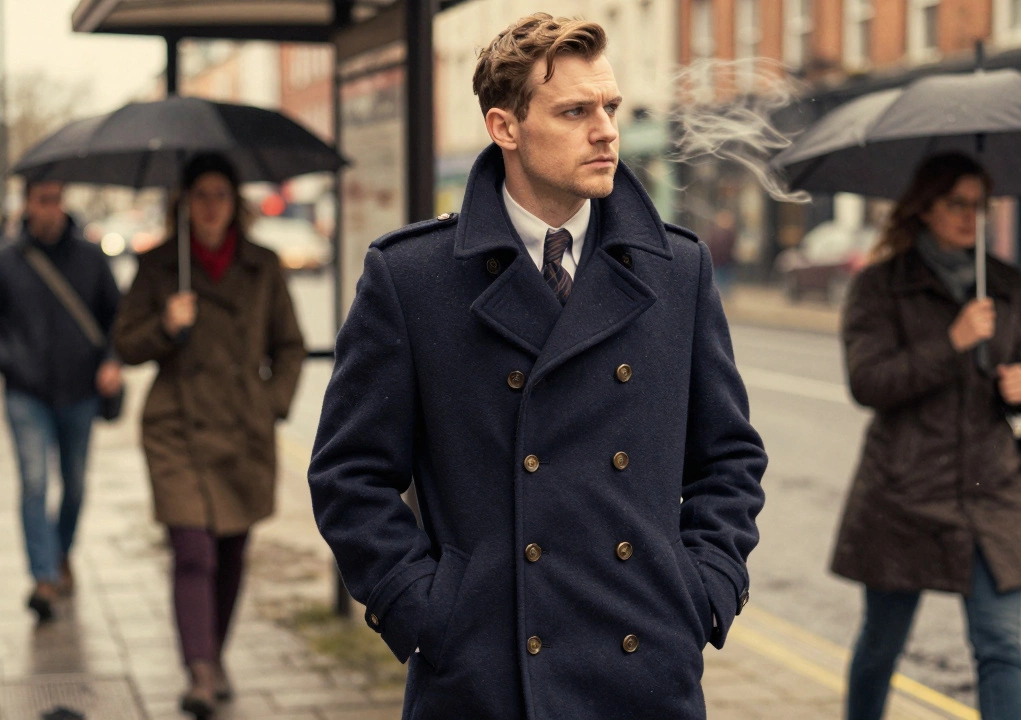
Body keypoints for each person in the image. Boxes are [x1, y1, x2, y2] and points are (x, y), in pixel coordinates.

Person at [308, 14, 767, 720]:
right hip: (486, 676)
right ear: (505, 127)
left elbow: (728, 459)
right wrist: (423, 610)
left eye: (609, 108)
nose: (606, 130)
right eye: (575, 111)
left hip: (645, 666)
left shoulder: (678, 270)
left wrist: (704, 588)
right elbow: (349, 476)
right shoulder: (414, 280)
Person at [833, 153, 1021, 720]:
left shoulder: (1002, 284)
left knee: (1001, 646)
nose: (972, 216)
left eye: (980, 205)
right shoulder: (880, 287)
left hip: (989, 489)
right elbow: (868, 382)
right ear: (925, 207)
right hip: (906, 490)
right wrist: (950, 342)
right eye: (958, 204)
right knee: (882, 643)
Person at [113, 153, 306, 720]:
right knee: (193, 549)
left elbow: (290, 346)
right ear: (184, 203)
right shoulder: (157, 267)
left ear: (235, 203)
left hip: (244, 425)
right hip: (177, 425)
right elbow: (126, 344)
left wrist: (272, 402)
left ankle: (212, 655)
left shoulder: (263, 265)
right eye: (201, 195)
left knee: (231, 550)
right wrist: (166, 327)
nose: (211, 206)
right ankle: (200, 670)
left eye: (221, 194)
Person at [0, 181, 123, 623]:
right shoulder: (4, 259)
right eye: (42, 201)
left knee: (74, 485)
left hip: (79, 390)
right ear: (26, 204)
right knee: (35, 481)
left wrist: (111, 360)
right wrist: (8, 362)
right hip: (26, 392)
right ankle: (42, 577)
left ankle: (60, 553)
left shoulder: (90, 257)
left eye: (57, 199)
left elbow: (117, 314)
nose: (51, 210)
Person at [706, 209, 738, 297]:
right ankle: (719, 293)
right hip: (718, 259)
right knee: (719, 277)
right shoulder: (716, 232)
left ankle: (724, 293)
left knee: (724, 277)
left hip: (725, 260)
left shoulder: (729, 233)